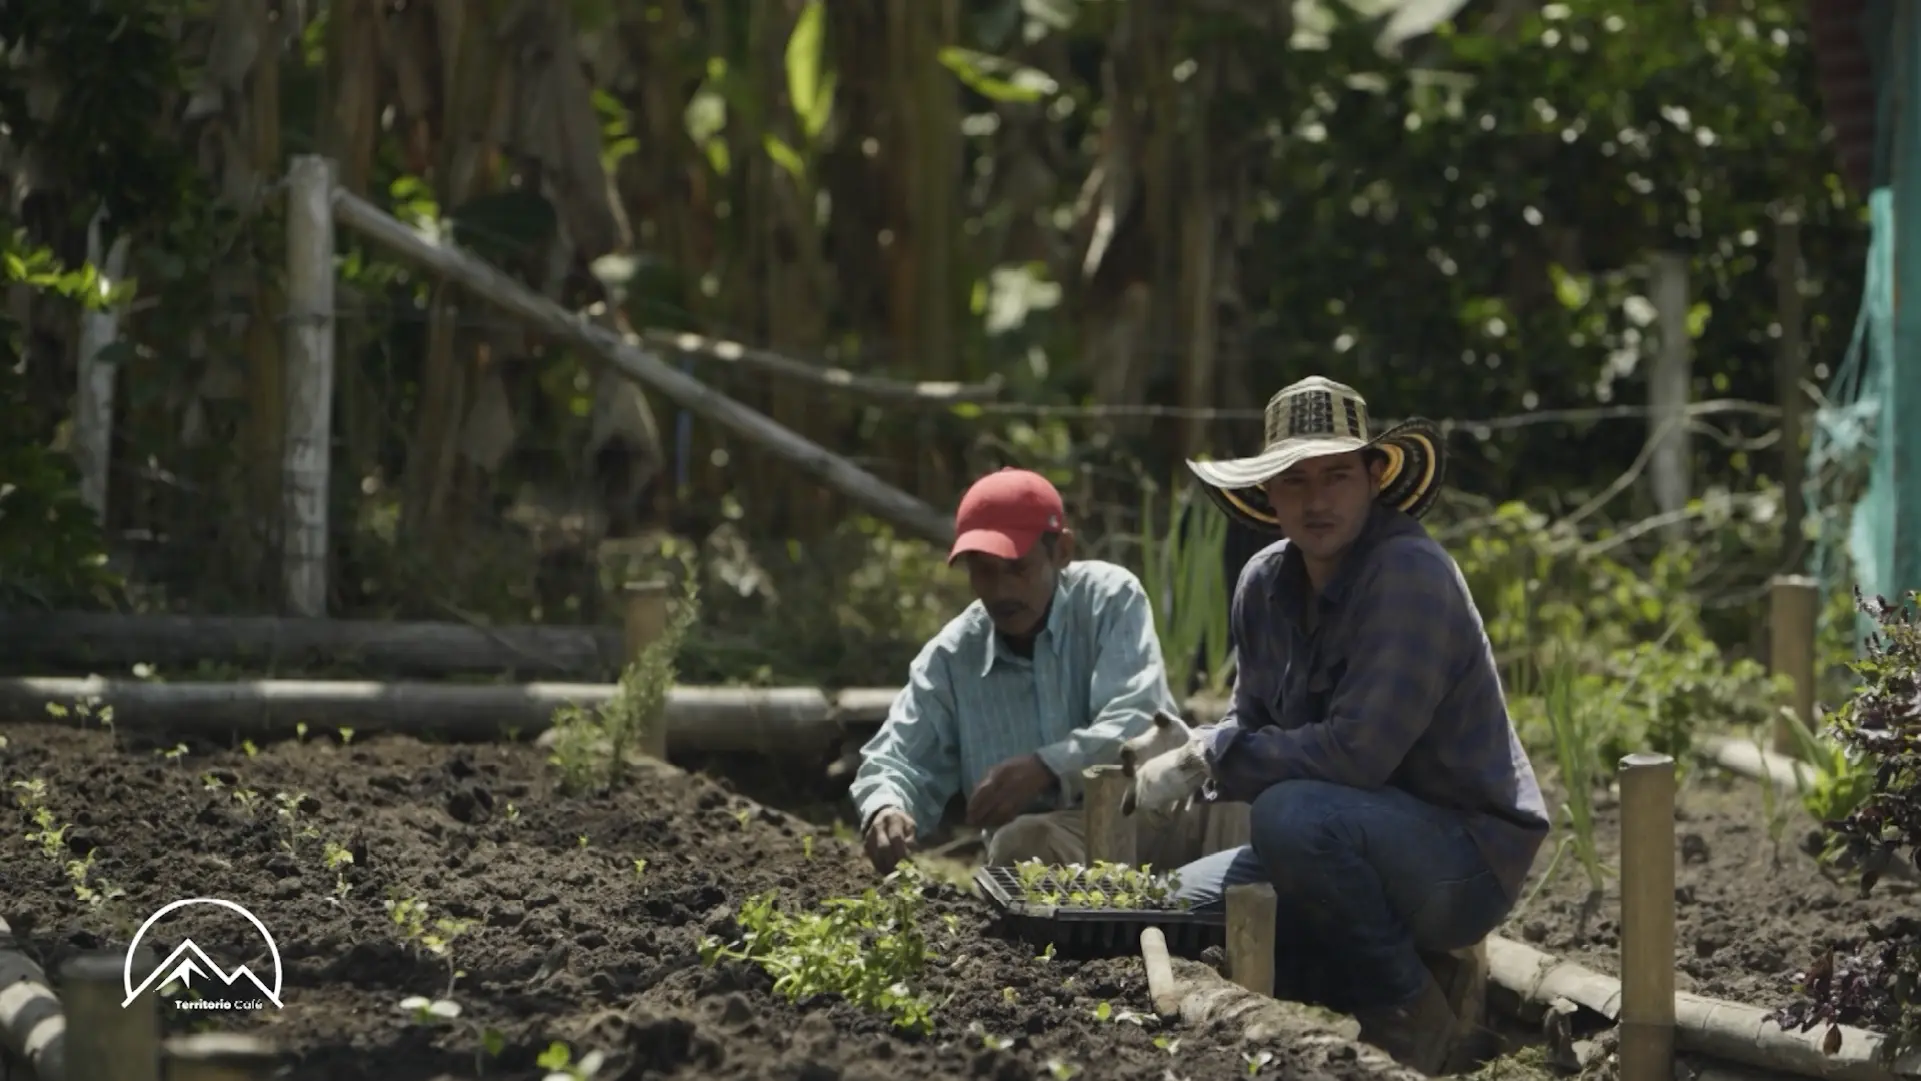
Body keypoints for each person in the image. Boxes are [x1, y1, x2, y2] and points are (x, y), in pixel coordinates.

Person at [1119, 376, 1551, 1076]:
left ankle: (1413, 1011)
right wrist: (1211, 747)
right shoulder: (1263, 583)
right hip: (1336, 837)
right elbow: (1248, 717)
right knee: (1164, 906)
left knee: (1288, 814)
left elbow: (1356, 756)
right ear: (1267, 493)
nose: (1316, 500)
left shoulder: (1407, 574)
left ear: (1373, 479)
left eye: (1336, 475)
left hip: (1459, 857)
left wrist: (1213, 756)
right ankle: (1334, 985)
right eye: (1293, 480)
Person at [850, 467, 1204, 872]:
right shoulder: (951, 658)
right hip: (1039, 850)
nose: (1001, 591)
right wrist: (886, 805)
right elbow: (897, 757)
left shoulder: (1108, 600)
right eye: (983, 570)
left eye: (1018, 568)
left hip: (1148, 822)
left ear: (1062, 552)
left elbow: (1137, 716)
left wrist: (1047, 767)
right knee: (1024, 841)